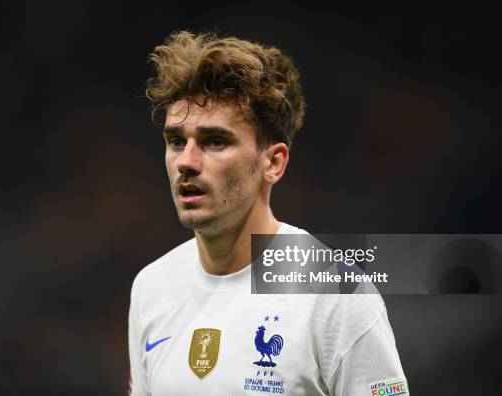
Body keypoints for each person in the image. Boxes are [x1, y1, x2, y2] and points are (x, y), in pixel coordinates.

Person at [128, 31, 408, 396]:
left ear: (273, 162)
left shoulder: (335, 294)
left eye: (215, 141)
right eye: (176, 141)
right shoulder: (152, 287)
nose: (187, 162)